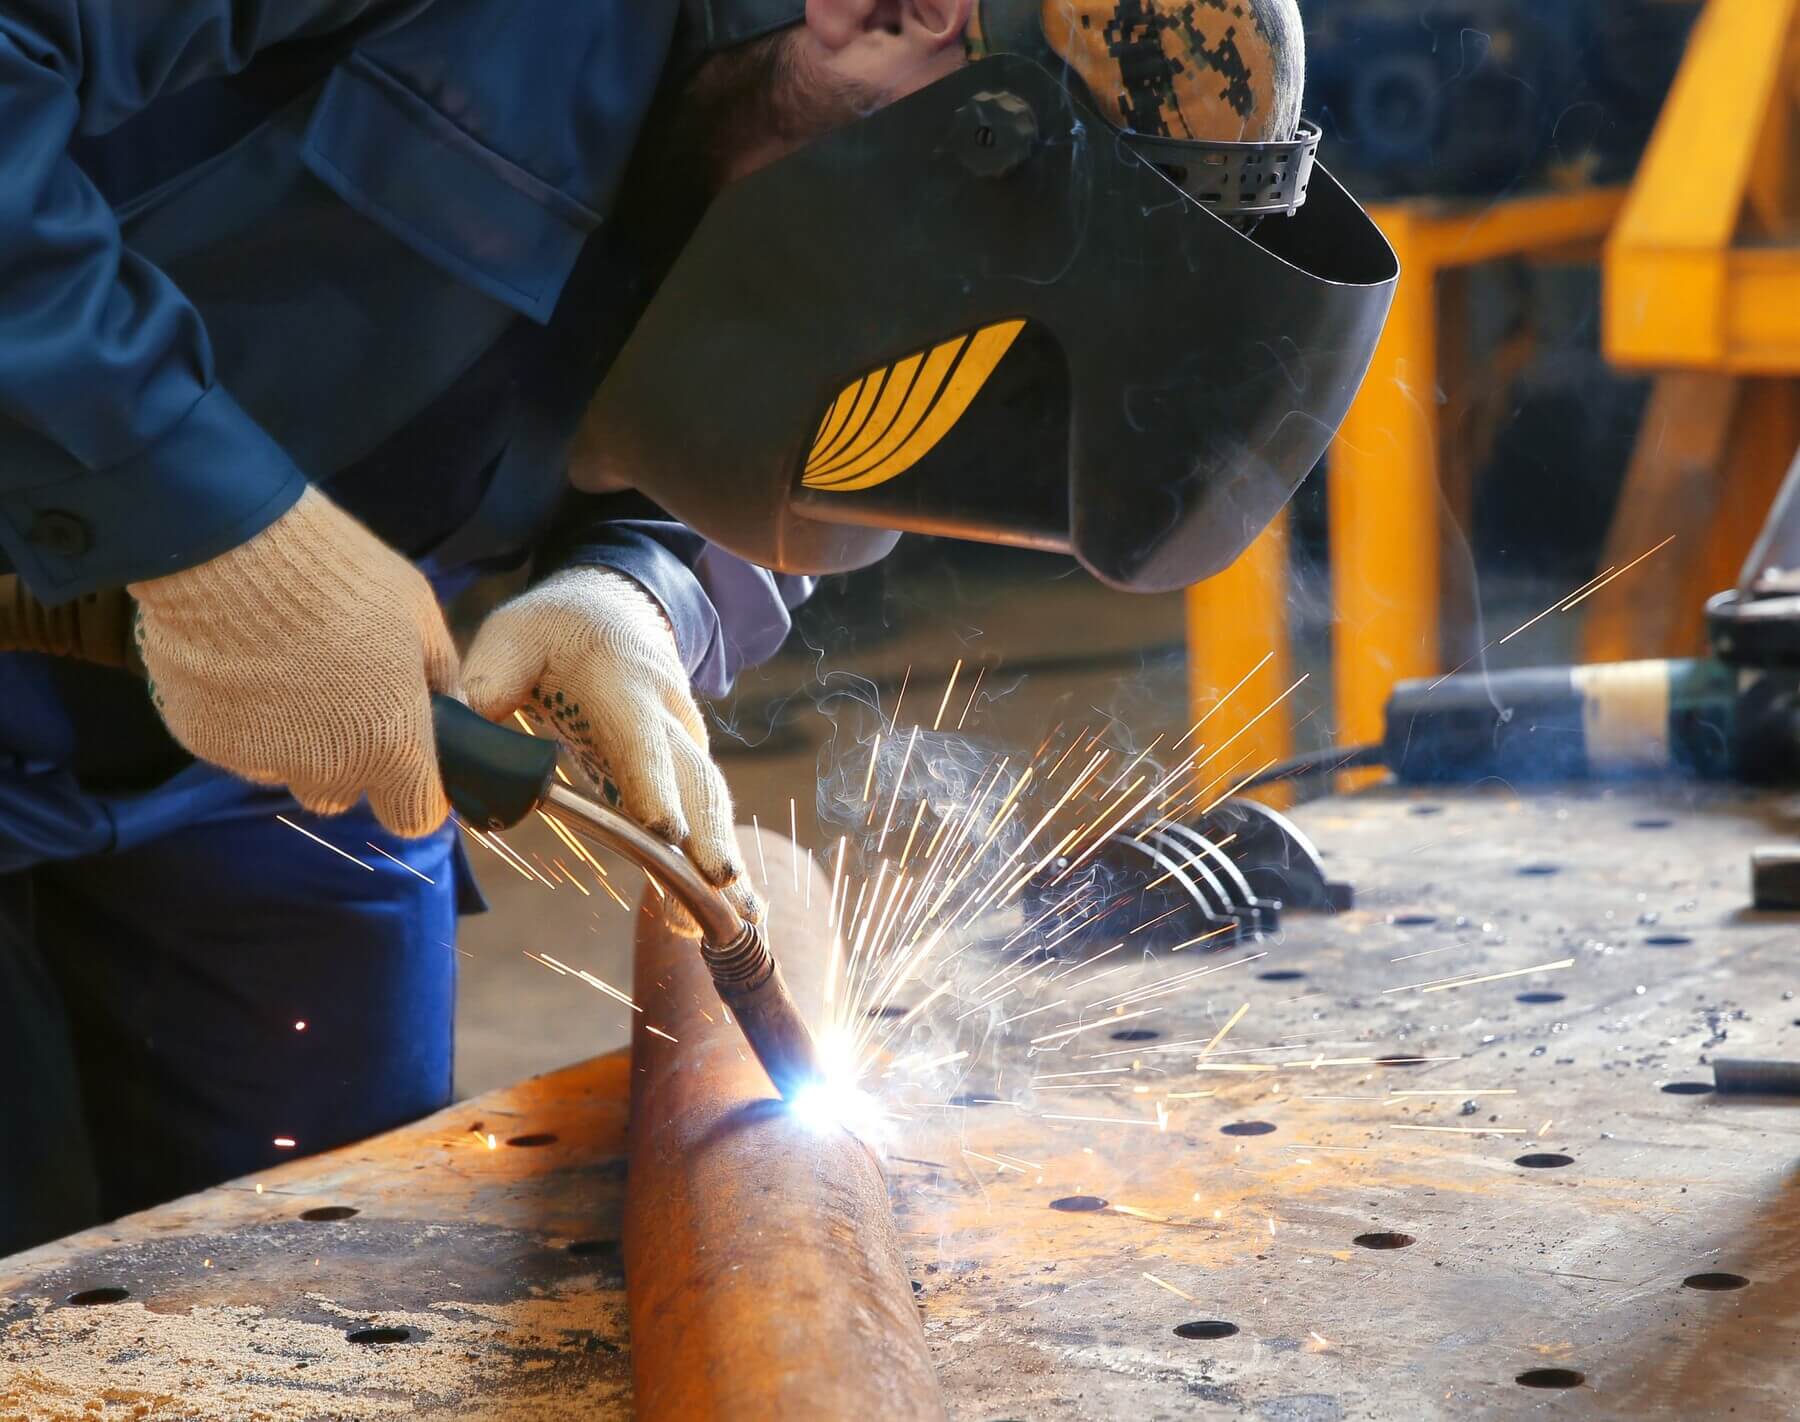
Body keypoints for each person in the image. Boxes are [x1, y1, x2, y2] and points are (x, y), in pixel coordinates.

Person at [0, 0, 1314, 1256]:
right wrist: (191, 504)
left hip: (318, 720)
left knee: (316, 1276)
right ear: (890, 12)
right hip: (139, 587)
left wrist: (635, 588)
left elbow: (795, 435)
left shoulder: (824, 155)